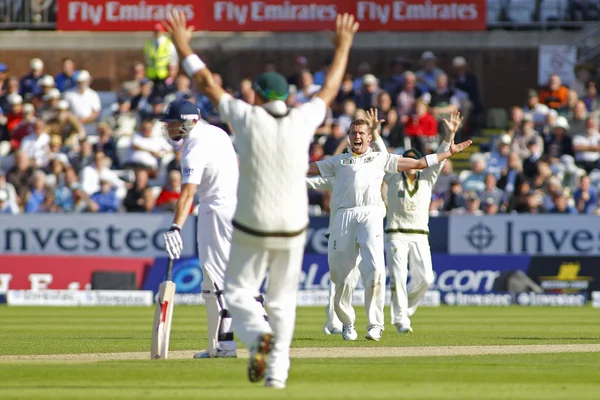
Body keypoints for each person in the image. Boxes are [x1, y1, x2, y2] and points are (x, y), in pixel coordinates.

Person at [164, 10, 359, 389]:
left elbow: (205, 82)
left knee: (235, 292)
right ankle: (277, 371)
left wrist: (182, 44)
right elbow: (330, 89)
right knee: (281, 301)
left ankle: (257, 340)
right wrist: (344, 46)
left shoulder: (246, 118)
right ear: (285, 96)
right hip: (294, 226)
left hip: (253, 222)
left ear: (255, 95)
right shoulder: (303, 119)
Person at [307, 111, 471, 342]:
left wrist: (447, 152)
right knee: (340, 276)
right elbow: (308, 169)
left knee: (375, 267)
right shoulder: (338, 161)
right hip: (343, 216)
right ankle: (347, 322)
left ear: (369, 138)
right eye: (353, 132)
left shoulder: (380, 158)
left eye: (361, 133)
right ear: (349, 136)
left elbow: (419, 163)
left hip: (371, 213)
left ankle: (376, 324)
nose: (357, 136)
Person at [160, 98, 242, 359]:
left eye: (173, 124)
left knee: (218, 281)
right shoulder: (217, 132)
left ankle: (227, 344)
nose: (170, 129)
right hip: (231, 207)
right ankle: (216, 344)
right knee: (211, 283)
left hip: (215, 211)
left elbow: (187, 194)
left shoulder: (193, 145)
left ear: (187, 121)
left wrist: (175, 227)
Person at [383, 111, 463, 334]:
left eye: (412, 159)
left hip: (419, 234)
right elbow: (382, 155)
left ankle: (404, 309)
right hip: (395, 233)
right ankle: (400, 319)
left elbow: (440, 157)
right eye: (404, 160)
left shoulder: (427, 178)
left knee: (427, 278)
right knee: (398, 276)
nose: (408, 163)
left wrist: (449, 134)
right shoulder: (391, 177)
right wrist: (375, 133)